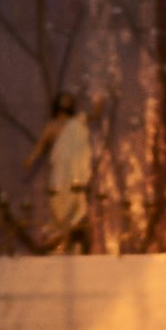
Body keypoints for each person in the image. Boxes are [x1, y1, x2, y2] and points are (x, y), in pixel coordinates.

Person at [29, 93, 96, 251]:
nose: (66, 103)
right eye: (63, 100)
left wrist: (99, 103)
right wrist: (31, 159)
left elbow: (93, 115)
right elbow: (41, 145)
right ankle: (59, 238)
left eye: (68, 101)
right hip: (59, 172)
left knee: (76, 205)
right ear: (58, 103)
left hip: (74, 172)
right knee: (59, 205)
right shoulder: (52, 125)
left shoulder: (77, 122)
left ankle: (73, 236)